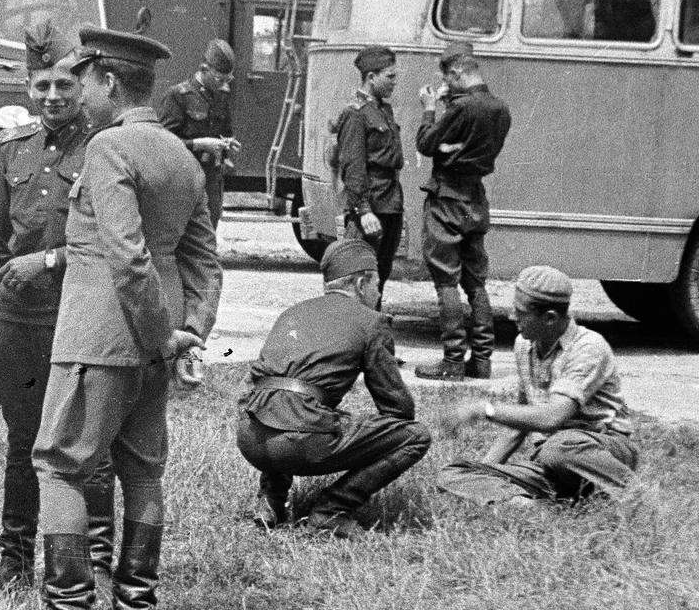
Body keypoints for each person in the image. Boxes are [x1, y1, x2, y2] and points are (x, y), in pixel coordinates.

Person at [20, 25, 221, 610]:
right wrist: (187, 333)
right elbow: (204, 262)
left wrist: (164, 336)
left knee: (58, 465)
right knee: (141, 472)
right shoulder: (182, 156)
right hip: (151, 346)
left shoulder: (108, 149)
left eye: (83, 80)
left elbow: (127, 258)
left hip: (99, 338)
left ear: (109, 82)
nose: (77, 93)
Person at [0, 19, 114, 590]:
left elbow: (109, 244)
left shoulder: (103, 150)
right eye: (41, 86)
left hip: (77, 317)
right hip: (18, 324)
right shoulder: (13, 151)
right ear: (28, 85)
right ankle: (15, 557)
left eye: (64, 86)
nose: (51, 98)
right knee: (23, 443)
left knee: (82, 448)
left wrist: (50, 262)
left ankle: (90, 561)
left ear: (83, 83)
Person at [235, 238, 430, 538]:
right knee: (415, 436)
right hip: (298, 439)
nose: (378, 292)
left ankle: (271, 501)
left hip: (250, 436)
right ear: (362, 282)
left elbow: (264, 384)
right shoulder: (371, 322)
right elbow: (399, 410)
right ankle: (332, 510)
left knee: (288, 401)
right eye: (377, 283)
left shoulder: (292, 312)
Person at [440, 266, 636, 505]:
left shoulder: (589, 347)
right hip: (550, 462)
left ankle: (634, 495)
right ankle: (537, 507)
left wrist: (484, 409)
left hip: (600, 452)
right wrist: (483, 470)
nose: (513, 317)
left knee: (559, 447)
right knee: (452, 472)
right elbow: (518, 426)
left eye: (521, 313)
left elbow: (551, 418)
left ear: (550, 317)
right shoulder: (524, 345)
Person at [412, 44, 512, 381]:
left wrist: (430, 110)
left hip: (447, 200)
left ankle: (452, 362)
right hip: (476, 200)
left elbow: (426, 144)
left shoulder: (459, 109)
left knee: (446, 281)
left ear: (456, 73)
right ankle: (482, 359)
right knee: (476, 283)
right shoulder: (500, 109)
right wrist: (449, 108)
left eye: (448, 80)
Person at [333, 45, 404, 305]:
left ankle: (371, 333)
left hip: (389, 205)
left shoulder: (383, 110)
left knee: (378, 277)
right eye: (390, 76)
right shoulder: (355, 114)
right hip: (371, 209)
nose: (394, 82)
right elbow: (353, 166)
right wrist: (363, 210)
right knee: (358, 278)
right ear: (371, 77)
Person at [159, 38, 240, 228]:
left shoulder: (221, 97)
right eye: (220, 80)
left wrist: (227, 143)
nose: (224, 85)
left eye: (228, 80)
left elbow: (225, 131)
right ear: (204, 69)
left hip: (211, 179)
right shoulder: (178, 95)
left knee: (209, 232)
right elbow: (163, 143)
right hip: (183, 181)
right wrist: (199, 144)